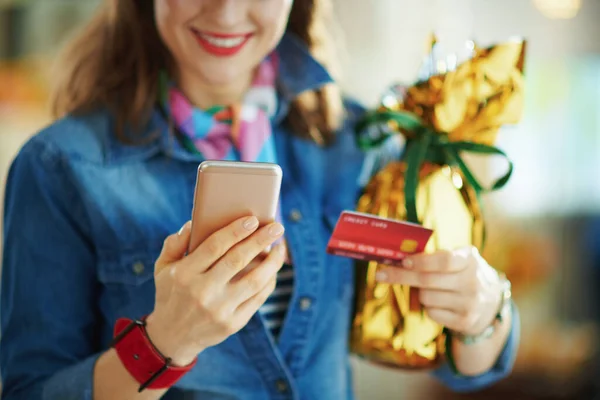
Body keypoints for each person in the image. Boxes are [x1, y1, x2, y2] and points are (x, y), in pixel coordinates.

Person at [0, 1, 520, 399]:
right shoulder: (60, 168)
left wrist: (483, 313)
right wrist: (162, 344)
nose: (226, 13)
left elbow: (459, 366)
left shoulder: (357, 143)